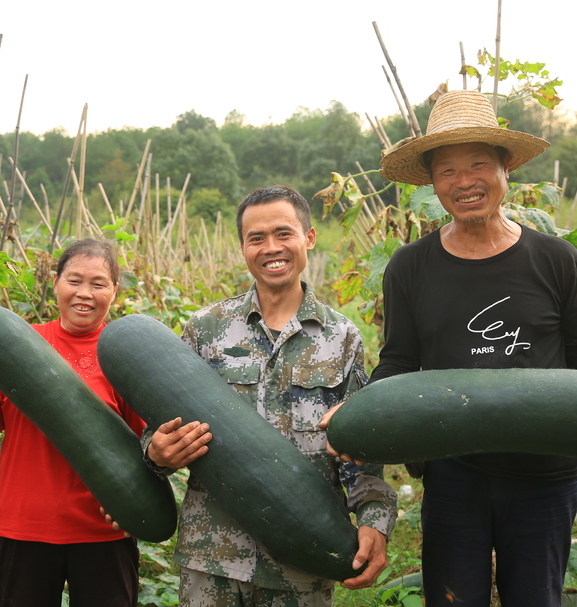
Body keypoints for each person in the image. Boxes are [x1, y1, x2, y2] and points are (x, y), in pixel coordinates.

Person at [322, 90, 577, 607]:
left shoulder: (556, 258)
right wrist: (360, 413)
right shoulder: (410, 266)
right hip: (453, 473)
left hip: (545, 475)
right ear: (431, 183)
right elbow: (399, 361)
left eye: (478, 164)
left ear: (506, 169)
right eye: (446, 170)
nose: (464, 181)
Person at [141, 185, 398, 607]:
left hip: (304, 561)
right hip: (213, 558)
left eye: (284, 233)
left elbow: (360, 450)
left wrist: (375, 521)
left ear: (309, 238)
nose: (271, 248)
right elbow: (160, 426)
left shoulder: (342, 337)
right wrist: (156, 452)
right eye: (256, 238)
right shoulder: (205, 329)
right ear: (242, 246)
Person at [0, 238, 141, 607]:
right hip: (26, 526)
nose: (84, 294)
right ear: (55, 282)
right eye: (74, 281)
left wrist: (135, 506)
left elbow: (142, 444)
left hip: (103, 530)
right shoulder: (19, 343)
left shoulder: (125, 354)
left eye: (98, 283)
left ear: (115, 290)